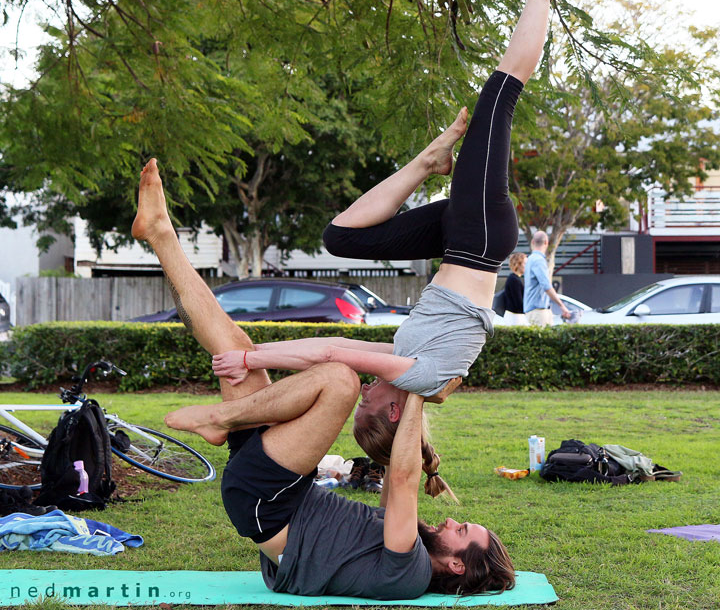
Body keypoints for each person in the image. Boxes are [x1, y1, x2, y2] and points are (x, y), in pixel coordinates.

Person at [212, 0, 569, 466]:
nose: (362, 393)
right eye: (366, 402)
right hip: (476, 239)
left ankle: (429, 162)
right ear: (394, 410)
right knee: (499, 94)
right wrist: (253, 361)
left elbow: (333, 354)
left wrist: (262, 354)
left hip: (459, 241)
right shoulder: (421, 376)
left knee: (342, 239)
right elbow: (334, 349)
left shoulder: (411, 367)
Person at [131, 159, 515, 599]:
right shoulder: (406, 545)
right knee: (236, 347)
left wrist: (422, 391)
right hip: (278, 487)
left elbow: (407, 479)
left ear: (456, 563)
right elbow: (397, 468)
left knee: (340, 381)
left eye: (461, 529)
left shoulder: (407, 575)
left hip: (271, 503)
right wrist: (422, 381)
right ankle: (160, 233)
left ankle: (222, 419)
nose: (449, 520)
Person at [523, 230, 571, 326]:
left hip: (531, 310)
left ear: (532, 242)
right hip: (538, 312)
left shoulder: (530, 259)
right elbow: (546, 286)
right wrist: (562, 306)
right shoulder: (538, 260)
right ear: (546, 242)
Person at [503, 252, 528, 325]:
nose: (527, 266)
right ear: (518, 264)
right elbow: (518, 302)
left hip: (515, 316)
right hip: (515, 317)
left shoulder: (514, 278)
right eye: (525, 263)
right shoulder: (514, 280)